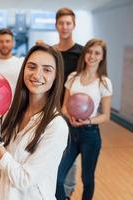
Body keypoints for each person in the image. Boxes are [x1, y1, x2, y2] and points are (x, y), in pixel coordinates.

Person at [0, 44, 69, 200]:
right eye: (31, 67)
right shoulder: (14, 114)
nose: (37, 75)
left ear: (56, 76)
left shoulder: (56, 126)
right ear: (24, 70)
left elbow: (24, 179)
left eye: (47, 69)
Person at [55, 38, 113, 200]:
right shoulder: (73, 77)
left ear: (102, 57)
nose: (92, 56)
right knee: (58, 178)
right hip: (71, 133)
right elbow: (64, 106)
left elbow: (105, 116)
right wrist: (70, 117)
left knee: (87, 179)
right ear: (84, 53)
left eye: (97, 53)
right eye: (89, 51)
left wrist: (87, 121)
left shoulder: (104, 82)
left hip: (90, 135)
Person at [53, 7, 84, 198]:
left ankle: (67, 193)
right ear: (56, 25)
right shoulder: (52, 52)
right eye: (61, 23)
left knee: (70, 155)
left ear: (74, 25)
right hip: (50, 110)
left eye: (68, 23)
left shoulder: (81, 53)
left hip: (71, 112)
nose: (64, 27)